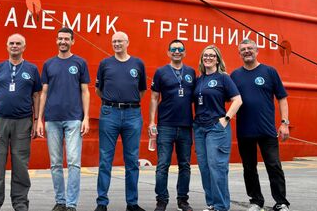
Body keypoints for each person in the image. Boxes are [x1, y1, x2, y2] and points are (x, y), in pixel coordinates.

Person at [0, 33, 42, 211]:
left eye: (18, 43)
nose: (14, 46)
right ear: (7, 46)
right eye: (11, 43)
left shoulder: (32, 69)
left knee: (21, 163)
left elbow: (36, 96)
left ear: (24, 47)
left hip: (23, 122)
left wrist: (37, 121)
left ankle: (20, 203)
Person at [230, 39, 290, 211]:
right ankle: (256, 201)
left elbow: (282, 98)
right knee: (249, 168)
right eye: (243, 49)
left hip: (267, 130)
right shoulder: (235, 75)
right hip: (244, 130)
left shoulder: (269, 72)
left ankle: (281, 202)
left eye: (250, 48)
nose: (247, 51)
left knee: (274, 166)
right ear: (239, 53)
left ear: (257, 51)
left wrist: (284, 123)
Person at [36, 27, 91, 211]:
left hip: (74, 119)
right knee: (55, 163)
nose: (63, 42)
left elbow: (85, 91)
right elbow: (43, 93)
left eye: (66, 39)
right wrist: (39, 120)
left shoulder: (80, 63)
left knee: (74, 162)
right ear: (56, 40)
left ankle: (71, 204)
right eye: (60, 39)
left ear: (73, 41)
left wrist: (86, 118)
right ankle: (60, 201)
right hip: (52, 119)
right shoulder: (48, 64)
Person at [94, 31, 147, 211]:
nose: (116, 44)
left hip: (132, 114)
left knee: (132, 160)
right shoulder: (105, 64)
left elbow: (141, 91)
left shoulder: (138, 64)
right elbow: (98, 90)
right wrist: (113, 102)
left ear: (127, 42)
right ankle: (102, 202)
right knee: (105, 160)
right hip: (110, 113)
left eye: (120, 41)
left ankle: (132, 203)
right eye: (114, 41)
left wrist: (128, 102)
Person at [148, 40, 196, 211]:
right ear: (168, 53)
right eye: (173, 49)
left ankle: (182, 200)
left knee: (185, 165)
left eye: (180, 49)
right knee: (163, 165)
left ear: (184, 52)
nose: (177, 51)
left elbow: (197, 98)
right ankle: (162, 200)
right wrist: (152, 121)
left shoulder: (191, 72)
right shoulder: (161, 72)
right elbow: (154, 97)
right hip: (165, 125)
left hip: (185, 126)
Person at [194, 45, 242, 211]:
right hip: (199, 127)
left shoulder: (223, 78)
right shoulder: (199, 79)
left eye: (212, 56)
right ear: (202, 59)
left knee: (217, 167)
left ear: (217, 59)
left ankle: (221, 206)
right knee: (205, 167)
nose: (208, 58)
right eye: (205, 55)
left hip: (216, 127)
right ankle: (212, 204)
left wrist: (226, 119)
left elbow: (237, 100)